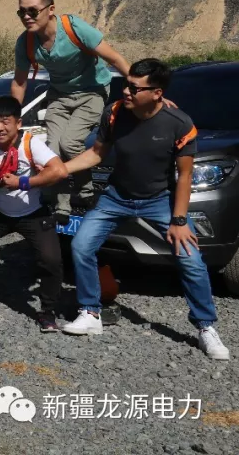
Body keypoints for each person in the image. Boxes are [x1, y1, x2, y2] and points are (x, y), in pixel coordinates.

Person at [61, 59, 229, 360]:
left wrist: (179, 220)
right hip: (115, 197)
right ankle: (90, 313)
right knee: (81, 245)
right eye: (127, 84)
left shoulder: (179, 124)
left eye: (135, 88)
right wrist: (61, 169)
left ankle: (206, 327)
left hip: (160, 201)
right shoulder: (114, 113)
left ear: (157, 93)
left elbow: (185, 176)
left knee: (191, 260)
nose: (126, 91)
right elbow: (96, 153)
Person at [10, 0, 131, 322]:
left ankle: (86, 189)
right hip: (60, 96)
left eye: (32, 10)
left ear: (50, 9)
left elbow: (114, 57)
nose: (27, 16)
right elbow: (19, 81)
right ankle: (63, 203)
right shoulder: (26, 42)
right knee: (51, 150)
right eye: (21, 12)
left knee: (70, 144)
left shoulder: (73, 27)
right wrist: (11, 116)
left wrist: (138, 85)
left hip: (93, 92)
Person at [0, 96, 68, 332]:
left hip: (33, 213)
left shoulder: (30, 143)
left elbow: (59, 171)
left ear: (18, 123)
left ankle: (47, 312)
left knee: (51, 260)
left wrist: (23, 182)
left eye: (5, 121)